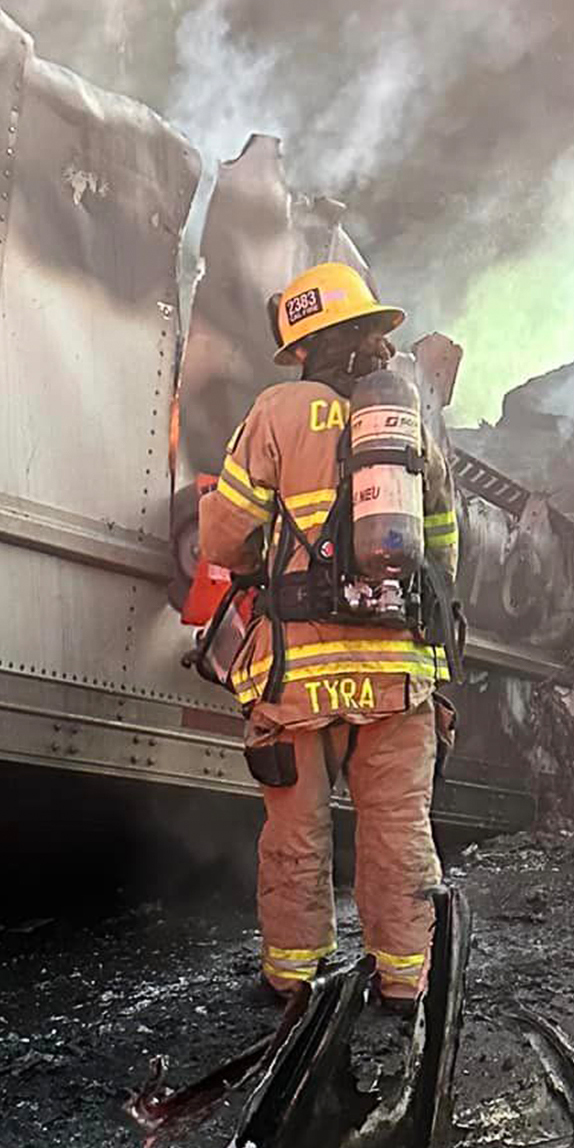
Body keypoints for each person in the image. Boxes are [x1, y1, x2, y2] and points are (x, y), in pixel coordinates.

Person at [195, 262, 461, 1009]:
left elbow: (223, 536)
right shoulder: (406, 421)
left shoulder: (279, 411)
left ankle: (292, 975)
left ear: (305, 345)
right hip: (397, 676)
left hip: (297, 674)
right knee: (399, 831)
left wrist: (274, 560)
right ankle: (406, 979)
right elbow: (443, 550)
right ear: (372, 335)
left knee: (295, 832)